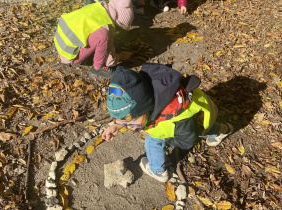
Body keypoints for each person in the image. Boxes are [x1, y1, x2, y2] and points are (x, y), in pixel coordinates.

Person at [102, 63, 233, 182]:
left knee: (154, 140)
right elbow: (128, 116)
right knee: (208, 127)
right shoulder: (152, 92)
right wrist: (116, 125)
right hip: (201, 114)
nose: (129, 126)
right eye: (123, 121)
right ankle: (225, 129)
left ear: (147, 108)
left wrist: (167, 138)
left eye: (132, 121)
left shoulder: (176, 118)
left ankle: (158, 172)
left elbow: (187, 140)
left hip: (193, 123)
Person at [54, 0, 134, 80]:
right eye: (119, 27)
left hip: (61, 42)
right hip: (68, 54)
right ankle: (96, 69)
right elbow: (109, 60)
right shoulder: (106, 23)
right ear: (117, 21)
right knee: (102, 35)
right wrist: (120, 57)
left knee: (98, 34)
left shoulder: (97, 7)